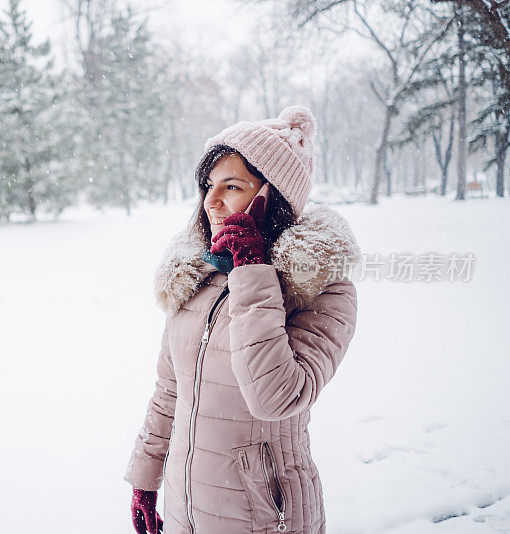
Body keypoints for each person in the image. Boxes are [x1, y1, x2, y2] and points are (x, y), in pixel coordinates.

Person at [125, 106, 361, 534]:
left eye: (231, 186)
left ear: (271, 199)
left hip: (266, 516)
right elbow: (169, 391)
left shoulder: (321, 288)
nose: (211, 201)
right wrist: (146, 479)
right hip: (186, 510)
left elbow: (276, 397)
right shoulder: (196, 278)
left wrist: (252, 270)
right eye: (208, 185)